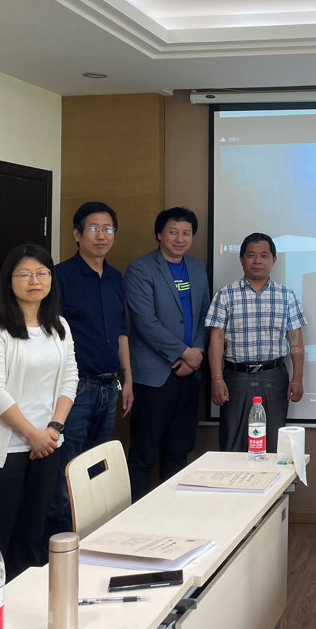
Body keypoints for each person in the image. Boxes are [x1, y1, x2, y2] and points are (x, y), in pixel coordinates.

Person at [0, 243, 78, 578]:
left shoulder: (59, 327)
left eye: (42, 273)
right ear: (10, 281)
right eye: (25, 274)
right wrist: (32, 435)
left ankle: (24, 601)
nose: (35, 280)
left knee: (32, 537)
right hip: (4, 450)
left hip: (47, 445)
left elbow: (70, 378)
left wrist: (54, 429)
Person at [44, 202, 131, 538]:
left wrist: (128, 378)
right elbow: (48, 333)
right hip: (75, 390)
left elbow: (121, 331)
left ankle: (91, 540)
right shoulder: (59, 277)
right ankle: (59, 546)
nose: (101, 235)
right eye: (93, 228)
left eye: (108, 229)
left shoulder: (115, 278)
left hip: (109, 387)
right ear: (77, 234)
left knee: (96, 469)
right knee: (66, 471)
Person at [124, 207, 210, 500]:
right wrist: (184, 353)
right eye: (173, 232)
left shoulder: (196, 267)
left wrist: (196, 353)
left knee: (179, 448)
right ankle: (135, 514)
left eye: (186, 233)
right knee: (144, 451)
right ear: (159, 234)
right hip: (154, 375)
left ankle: (173, 512)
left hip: (189, 375)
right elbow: (145, 321)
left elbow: (205, 315)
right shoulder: (141, 268)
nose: (179, 238)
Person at [206, 233, 307, 453]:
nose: (257, 261)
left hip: (274, 376)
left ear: (274, 260)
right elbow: (216, 340)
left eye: (264, 255)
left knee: (272, 445)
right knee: (232, 443)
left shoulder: (287, 295)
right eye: (251, 255)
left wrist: (298, 378)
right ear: (242, 259)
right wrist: (217, 379)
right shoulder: (225, 295)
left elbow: (296, 340)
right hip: (236, 378)